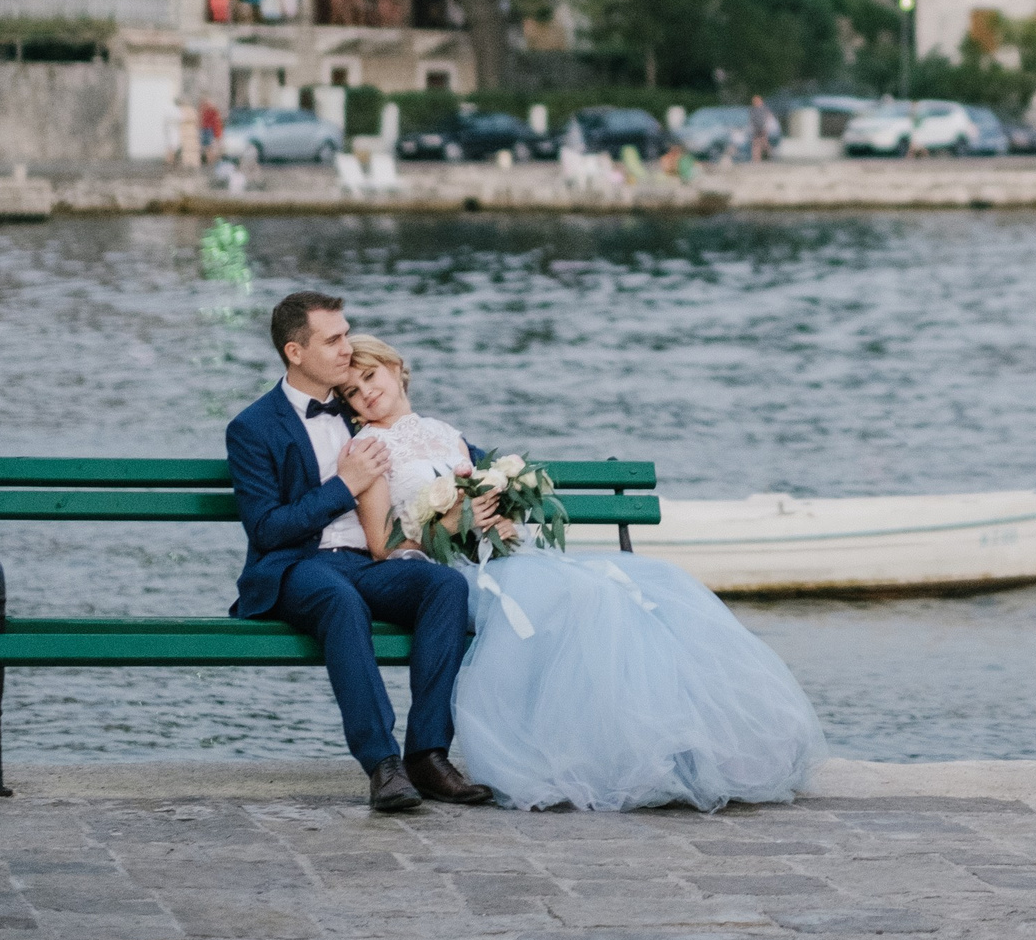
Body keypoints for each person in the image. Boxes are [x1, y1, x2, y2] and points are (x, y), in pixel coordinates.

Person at [342, 336, 825, 813]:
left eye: (370, 376)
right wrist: (446, 528)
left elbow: (486, 502)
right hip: (440, 572)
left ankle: (681, 745)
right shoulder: (369, 447)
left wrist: (501, 520)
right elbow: (382, 544)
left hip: (493, 558)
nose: (366, 392)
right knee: (575, 598)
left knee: (633, 588)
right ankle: (589, 753)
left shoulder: (446, 434)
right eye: (351, 391)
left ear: (396, 368)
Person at [224, 291, 495, 816]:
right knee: (338, 600)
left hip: (370, 563)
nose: (347, 348)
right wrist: (343, 486)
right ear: (295, 352)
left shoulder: (358, 406)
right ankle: (382, 765)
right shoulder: (253, 428)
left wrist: (494, 491)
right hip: (296, 567)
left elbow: (448, 452)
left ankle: (428, 754)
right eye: (333, 340)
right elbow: (267, 529)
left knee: (444, 586)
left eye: (346, 334)